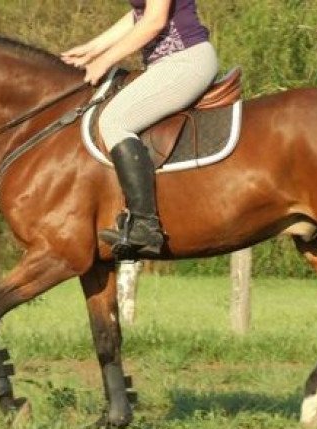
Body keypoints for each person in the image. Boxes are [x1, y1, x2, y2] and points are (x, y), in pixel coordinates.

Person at [61, 0, 219, 255]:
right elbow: (138, 14)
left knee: (114, 121)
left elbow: (154, 21)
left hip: (186, 61)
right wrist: (93, 49)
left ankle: (145, 225)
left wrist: (106, 60)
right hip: (166, 64)